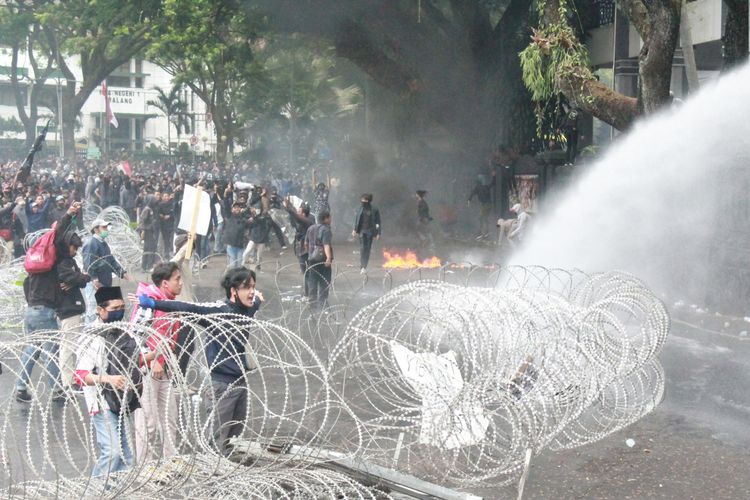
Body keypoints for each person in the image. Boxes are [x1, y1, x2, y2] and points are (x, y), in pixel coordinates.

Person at [132, 267, 263, 455]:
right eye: (246, 288)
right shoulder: (220, 311)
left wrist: (257, 298)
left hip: (240, 381)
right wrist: (152, 303)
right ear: (234, 291)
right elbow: (188, 308)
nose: (251, 292)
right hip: (221, 385)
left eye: (253, 287)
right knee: (218, 440)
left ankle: (227, 470)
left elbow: (255, 302)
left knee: (234, 436)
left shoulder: (246, 310)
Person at [75, 286, 150, 478]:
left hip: (120, 400)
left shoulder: (121, 331)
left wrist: (152, 357)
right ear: (100, 310)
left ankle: (116, 492)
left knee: (127, 458)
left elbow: (128, 361)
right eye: (114, 308)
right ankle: (96, 492)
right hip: (101, 403)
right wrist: (108, 379)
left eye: (122, 307)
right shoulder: (91, 336)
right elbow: (80, 375)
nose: (119, 311)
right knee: (112, 453)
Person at [15, 201, 82, 403]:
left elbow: (26, 288)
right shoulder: (51, 263)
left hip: (31, 311)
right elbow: (57, 234)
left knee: (33, 348)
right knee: (51, 350)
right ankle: (58, 390)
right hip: (45, 311)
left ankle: (20, 386)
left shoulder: (34, 270)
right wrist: (69, 214)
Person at [131, 262, 183, 464]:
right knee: (148, 422)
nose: (181, 283)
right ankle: (145, 467)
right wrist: (153, 360)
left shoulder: (168, 302)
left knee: (169, 420)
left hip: (167, 368)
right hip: (147, 370)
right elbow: (135, 336)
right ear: (164, 283)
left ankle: (171, 461)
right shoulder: (149, 302)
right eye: (177, 279)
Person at [56, 228, 92, 390]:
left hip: (73, 306)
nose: (75, 251)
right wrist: (80, 278)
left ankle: (71, 379)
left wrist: (79, 279)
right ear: (66, 245)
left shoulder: (69, 261)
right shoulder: (63, 261)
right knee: (68, 346)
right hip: (68, 307)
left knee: (71, 344)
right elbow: (73, 277)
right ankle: (68, 381)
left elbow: (81, 279)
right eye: (73, 247)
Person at [82, 219, 130, 324]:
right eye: (103, 227)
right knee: (94, 309)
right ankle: (89, 334)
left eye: (106, 227)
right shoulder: (91, 243)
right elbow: (88, 264)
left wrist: (122, 273)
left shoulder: (103, 243)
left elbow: (111, 260)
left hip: (104, 282)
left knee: (103, 309)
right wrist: (94, 279)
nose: (106, 230)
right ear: (96, 229)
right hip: (95, 283)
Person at [283, 198, 314, 299]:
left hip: (306, 250)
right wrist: (289, 207)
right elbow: (295, 217)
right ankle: (308, 292)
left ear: (303, 213)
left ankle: (309, 294)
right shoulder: (304, 218)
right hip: (300, 250)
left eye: (299, 210)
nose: (298, 211)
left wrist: (289, 208)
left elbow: (297, 217)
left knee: (308, 273)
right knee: (305, 273)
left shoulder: (309, 220)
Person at [305, 210, 333, 308]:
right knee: (324, 280)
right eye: (330, 217)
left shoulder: (310, 228)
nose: (331, 219)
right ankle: (323, 301)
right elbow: (326, 245)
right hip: (323, 260)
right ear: (325, 219)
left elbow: (306, 243)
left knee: (312, 280)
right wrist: (328, 258)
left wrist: (310, 254)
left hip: (311, 259)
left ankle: (312, 301)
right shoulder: (325, 230)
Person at [352, 193, 381, 274]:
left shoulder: (374, 209)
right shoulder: (360, 208)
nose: (362, 202)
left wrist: (378, 232)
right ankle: (362, 266)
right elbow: (357, 220)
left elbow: (378, 222)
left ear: (368, 201)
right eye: (362, 200)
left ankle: (364, 266)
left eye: (364, 200)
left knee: (367, 249)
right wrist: (355, 230)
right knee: (362, 248)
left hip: (370, 232)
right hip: (362, 231)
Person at [468, 172, 496, 240]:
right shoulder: (485, 187)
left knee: (481, 217)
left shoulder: (478, 187)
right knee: (484, 217)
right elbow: (493, 183)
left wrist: (469, 200)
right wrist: (494, 176)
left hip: (486, 204)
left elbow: (472, 193)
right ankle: (486, 232)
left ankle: (482, 232)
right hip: (488, 204)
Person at [223, 201, 249, 269]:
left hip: (240, 245)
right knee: (232, 265)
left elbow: (250, 223)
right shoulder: (229, 216)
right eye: (235, 207)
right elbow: (225, 206)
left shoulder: (243, 218)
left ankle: (237, 278)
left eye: (238, 207)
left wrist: (245, 213)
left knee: (239, 265)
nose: (237, 209)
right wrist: (226, 195)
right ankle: (229, 277)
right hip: (231, 244)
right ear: (232, 209)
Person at [139, 194, 160, 272]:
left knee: (150, 249)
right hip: (148, 232)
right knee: (148, 249)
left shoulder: (151, 209)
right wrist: (144, 231)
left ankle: (147, 266)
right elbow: (142, 222)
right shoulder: (147, 210)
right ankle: (146, 266)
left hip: (150, 231)